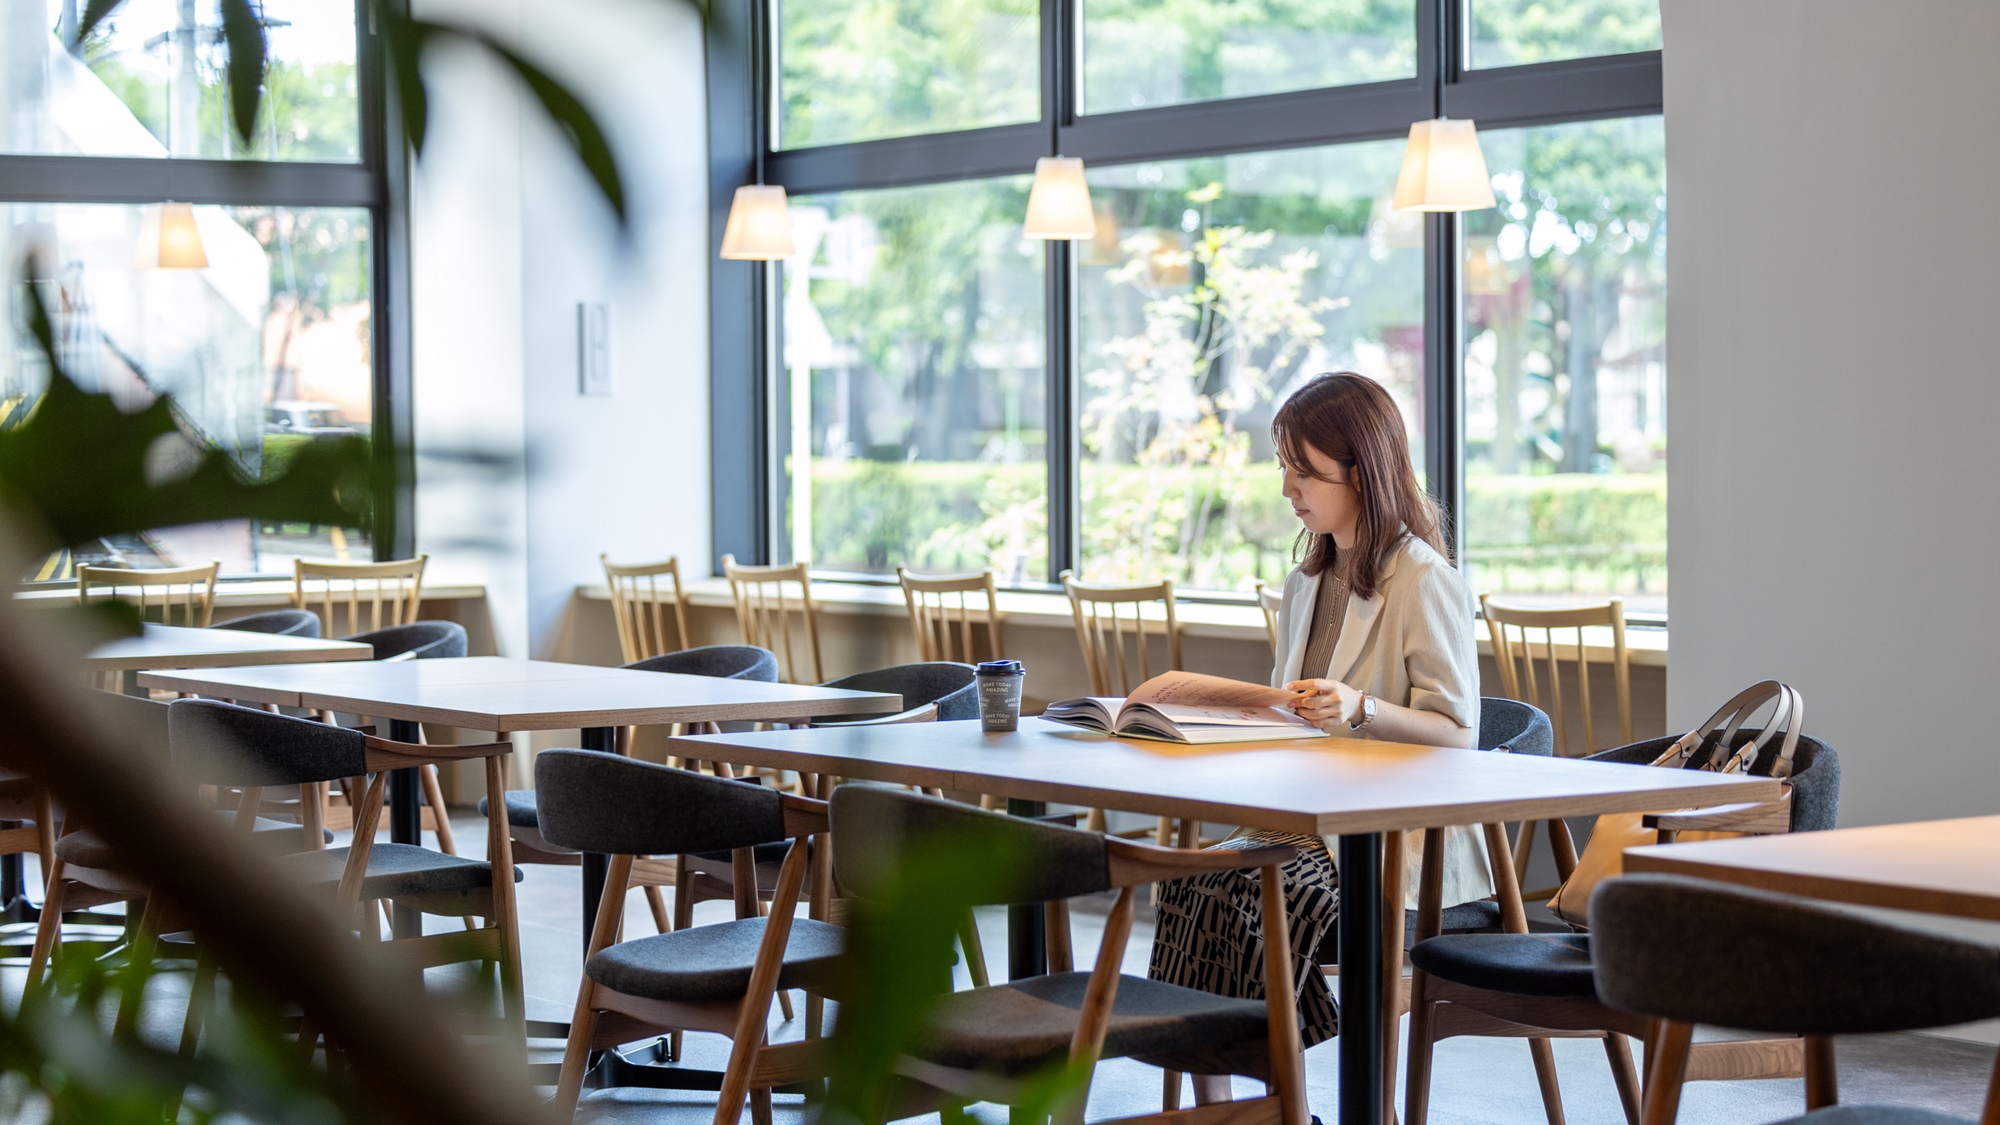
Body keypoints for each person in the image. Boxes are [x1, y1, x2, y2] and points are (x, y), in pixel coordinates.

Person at [1148, 371, 1485, 1050]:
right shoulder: (1305, 583)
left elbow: (1459, 734)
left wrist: (1361, 709)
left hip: (1394, 849)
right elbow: (1292, 715)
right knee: (1189, 886)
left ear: (1361, 472)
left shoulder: (1424, 579)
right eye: (1283, 467)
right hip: (1309, 823)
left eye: (1303, 471)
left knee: (1252, 896)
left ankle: (1283, 1095)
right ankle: (1228, 1100)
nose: (1286, 488)